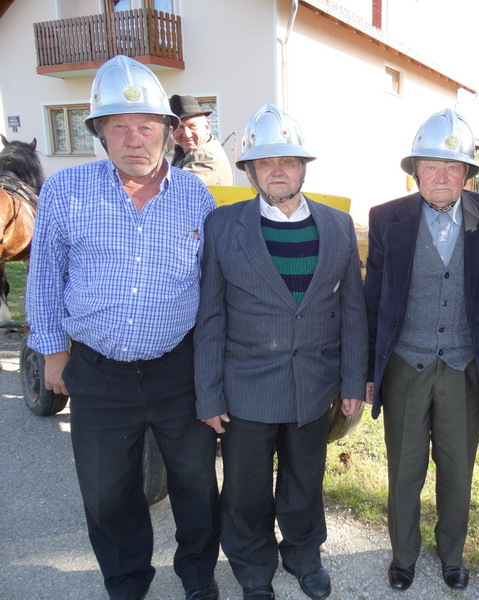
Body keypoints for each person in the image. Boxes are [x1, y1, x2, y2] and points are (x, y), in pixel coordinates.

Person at [25, 55, 220, 600]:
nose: (134, 139)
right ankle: (127, 582)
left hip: (178, 369)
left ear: (167, 132)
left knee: (196, 483)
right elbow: (44, 275)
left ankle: (198, 577)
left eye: (146, 127)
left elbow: (213, 288)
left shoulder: (196, 197)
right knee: (107, 491)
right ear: (100, 132)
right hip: (98, 371)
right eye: (119, 126)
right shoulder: (66, 191)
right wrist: (53, 353)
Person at [194, 104, 367, 600]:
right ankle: (253, 568)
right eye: (264, 162)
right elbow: (210, 316)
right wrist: (209, 394)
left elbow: (353, 311)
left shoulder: (338, 225)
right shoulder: (223, 226)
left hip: (314, 385)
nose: (276, 170)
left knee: (305, 482)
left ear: (303, 167)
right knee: (245, 489)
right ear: (249, 171)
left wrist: (353, 381)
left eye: (287, 161)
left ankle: (303, 554)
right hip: (246, 389)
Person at [364, 108, 479, 592]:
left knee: (457, 469)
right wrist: (368, 370)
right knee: (404, 470)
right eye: (431, 166)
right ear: (415, 171)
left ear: (468, 173)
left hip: (464, 366)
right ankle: (404, 556)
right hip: (404, 367)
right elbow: (373, 300)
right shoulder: (386, 218)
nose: (442, 176)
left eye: (453, 167)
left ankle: (452, 554)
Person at [169, 94, 234, 186]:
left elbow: (176, 188)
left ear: (207, 126)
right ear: (172, 131)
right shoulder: (184, 152)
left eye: (193, 126)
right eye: (180, 127)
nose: (187, 135)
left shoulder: (205, 156)